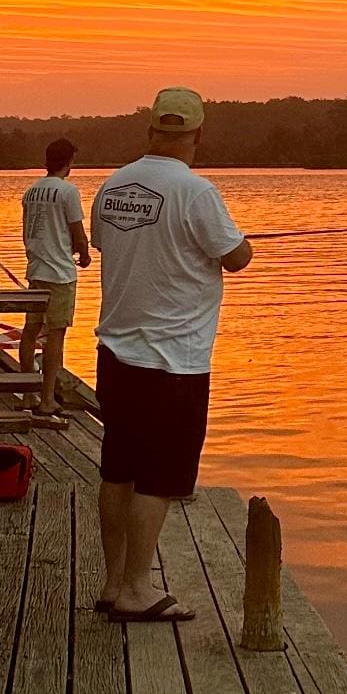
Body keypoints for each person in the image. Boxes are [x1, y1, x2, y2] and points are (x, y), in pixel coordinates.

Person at [91, 86, 252, 623]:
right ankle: (138, 587)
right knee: (159, 478)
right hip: (173, 362)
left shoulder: (111, 186)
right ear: (198, 135)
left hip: (115, 352)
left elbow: (102, 244)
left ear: (150, 129)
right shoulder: (196, 191)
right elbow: (236, 258)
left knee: (118, 470)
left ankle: (114, 582)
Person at [20, 136, 90, 420]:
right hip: (60, 273)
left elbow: (39, 230)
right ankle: (47, 400)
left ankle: (26, 392)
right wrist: (84, 254)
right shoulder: (67, 191)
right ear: (69, 162)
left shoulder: (31, 191)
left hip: (35, 269)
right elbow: (77, 231)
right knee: (56, 336)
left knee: (30, 331)